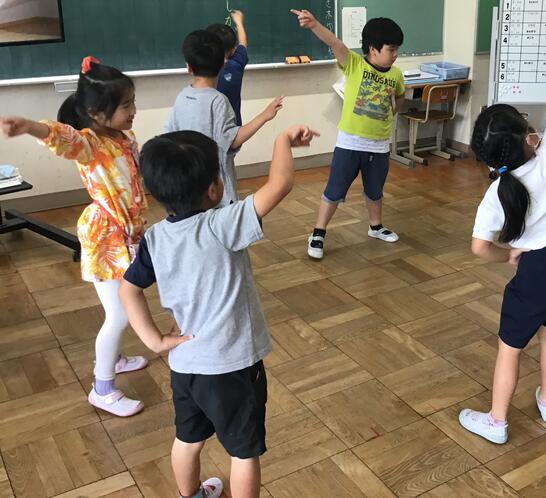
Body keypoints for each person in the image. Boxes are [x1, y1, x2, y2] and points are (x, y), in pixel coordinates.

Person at [119, 126, 318, 498]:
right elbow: (280, 185)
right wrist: (282, 140)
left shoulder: (155, 238)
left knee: (187, 439)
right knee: (243, 452)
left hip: (186, 365)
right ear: (214, 188)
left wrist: (155, 340)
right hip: (232, 366)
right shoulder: (224, 224)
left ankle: (191, 495)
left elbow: (128, 289)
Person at [458, 33, 546, 444]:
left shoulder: (496, 194)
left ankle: (497, 421)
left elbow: (479, 247)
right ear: (527, 136)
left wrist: (507, 257)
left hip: (538, 271)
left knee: (510, 347)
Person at [1, 57, 150, 417]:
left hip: (126, 235)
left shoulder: (124, 138)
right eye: (125, 104)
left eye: (132, 101)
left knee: (122, 304)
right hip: (106, 239)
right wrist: (30, 126)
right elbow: (63, 138)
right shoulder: (89, 144)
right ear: (96, 114)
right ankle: (102, 389)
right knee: (120, 314)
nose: (133, 110)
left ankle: (115, 358)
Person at [292, 8, 405, 259]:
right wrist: (314, 25)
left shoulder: (396, 75)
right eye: (391, 49)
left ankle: (375, 226)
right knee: (335, 190)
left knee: (375, 190)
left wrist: (392, 104)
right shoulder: (354, 64)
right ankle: (318, 232)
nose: (396, 54)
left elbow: (399, 101)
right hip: (350, 143)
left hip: (379, 145)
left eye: (397, 49)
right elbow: (335, 43)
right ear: (373, 49)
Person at [165, 30, 283, 206]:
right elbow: (231, 140)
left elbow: (169, 136)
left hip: (188, 185)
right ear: (223, 64)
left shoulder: (182, 96)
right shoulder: (218, 101)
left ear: (188, 67)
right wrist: (265, 115)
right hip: (216, 190)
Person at [207, 9, 249, 126]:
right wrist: (239, 22)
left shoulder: (203, 68)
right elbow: (243, 44)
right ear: (233, 49)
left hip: (210, 129)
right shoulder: (236, 65)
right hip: (234, 129)